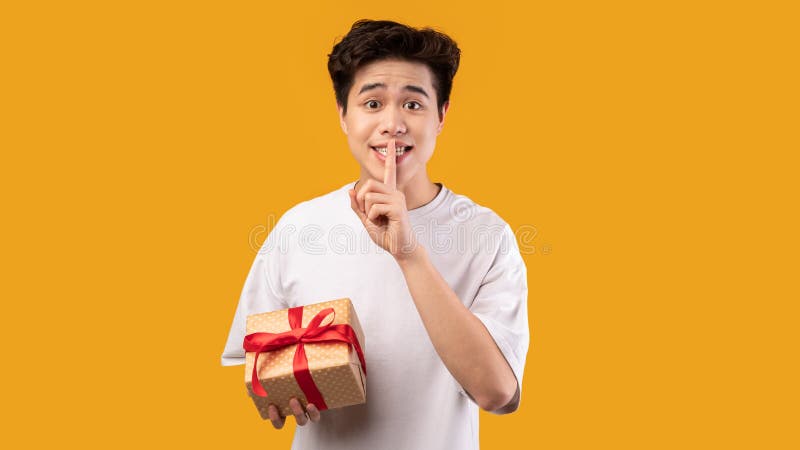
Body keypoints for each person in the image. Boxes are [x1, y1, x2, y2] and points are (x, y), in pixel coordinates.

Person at [221, 19, 530, 450]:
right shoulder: (298, 228)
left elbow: (496, 392)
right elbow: (256, 362)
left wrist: (409, 254)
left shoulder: (485, 235)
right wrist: (281, 394)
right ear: (343, 116)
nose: (392, 123)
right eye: (372, 104)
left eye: (413, 105)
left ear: (442, 116)